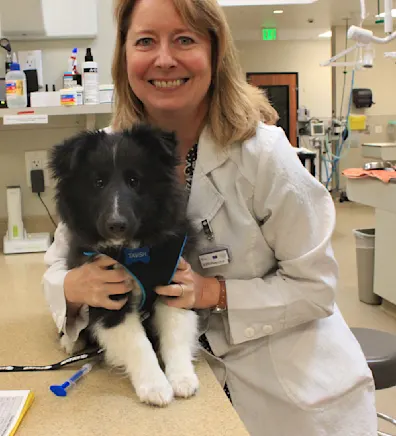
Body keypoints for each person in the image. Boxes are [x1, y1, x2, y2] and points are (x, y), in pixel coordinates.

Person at [42, 0, 378, 434]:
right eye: (145, 41)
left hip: (289, 389)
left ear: (216, 53)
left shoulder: (266, 155)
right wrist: (72, 285)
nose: (164, 59)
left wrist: (213, 292)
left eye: (184, 39)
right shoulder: (102, 154)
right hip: (182, 385)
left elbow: (317, 288)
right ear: (124, 56)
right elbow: (57, 262)